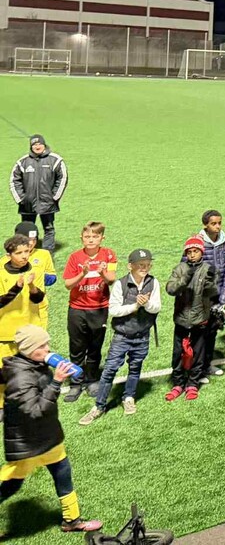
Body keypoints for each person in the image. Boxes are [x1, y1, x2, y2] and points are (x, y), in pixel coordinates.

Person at [0, 326, 103, 533]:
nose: (48, 348)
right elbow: (35, 411)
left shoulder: (32, 363)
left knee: (62, 471)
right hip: (28, 442)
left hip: (46, 437)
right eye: (42, 345)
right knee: (11, 483)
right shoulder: (21, 377)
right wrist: (56, 382)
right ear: (29, 349)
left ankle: (72, 521)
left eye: (46, 343)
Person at [78, 248, 161, 424]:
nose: (145, 268)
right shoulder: (120, 284)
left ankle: (129, 397)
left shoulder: (154, 283)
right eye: (140, 265)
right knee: (110, 370)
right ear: (130, 266)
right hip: (122, 335)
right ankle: (99, 406)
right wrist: (135, 306)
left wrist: (146, 304)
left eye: (147, 265)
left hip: (142, 335)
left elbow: (157, 307)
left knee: (135, 367)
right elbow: (114, 310)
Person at [60, 222, 118, 402]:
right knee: (76, 348)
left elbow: (111, 279)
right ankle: (76, 383)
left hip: (99, 308)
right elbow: (68, 284)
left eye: (95, 236)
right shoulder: (74, 257)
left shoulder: (109, 255)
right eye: (87, 237)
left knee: (94, 347)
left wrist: (102, 273)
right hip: (77, 309)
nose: (91, 240)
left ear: (102, 238)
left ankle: (92, 379)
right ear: (81, 238)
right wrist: (82, 274)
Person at [165, 237, 219, 401]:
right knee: (178, 354)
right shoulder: (180, 268)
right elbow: (170, 289)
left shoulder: (208, 269)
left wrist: (210, 282)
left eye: (195, 251)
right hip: (181, 319)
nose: (192, 255)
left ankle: (192, 384)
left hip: (200, 319)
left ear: (201, 252)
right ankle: (178, 383)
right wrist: (185, 279)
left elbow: (212, 293)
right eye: (189, 252)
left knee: (197, 354)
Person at [0, 235, 47, 409]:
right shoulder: (0, 272)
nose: (24, 256)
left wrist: (32, 286)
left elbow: (38, 298)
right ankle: (2, 406)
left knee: (32, 371)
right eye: (19, 253)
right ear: (9, 255)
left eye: (26, 251)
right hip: (6, 332)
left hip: (30, 331)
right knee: (3, 373)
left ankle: (30, 402)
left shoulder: (35, 269)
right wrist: (17, 287)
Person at [188, 209, 225, 382]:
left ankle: (207, 365)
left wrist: (224, 297)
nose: (218, 226)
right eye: (213, 223)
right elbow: (186, 268)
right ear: (205, 225)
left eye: (219, 223)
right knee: (199, 335)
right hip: (201, 298)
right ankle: (195, 370)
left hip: (217, 296)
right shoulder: (197, 242)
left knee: (212, 332)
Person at [9, 134, 67, 253]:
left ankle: (48, 254)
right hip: (28, 204)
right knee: (27, 230)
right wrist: (21, 199)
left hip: (47, 202)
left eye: (39, 143)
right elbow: (14, 180)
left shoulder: (55, 160)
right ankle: (26, 252)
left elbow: (62, 178)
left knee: (49, 228)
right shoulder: (23, 162)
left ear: (44, 145)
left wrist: (54, 197)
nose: (37, 146)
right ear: (31, 146)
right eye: (34, 144)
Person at [14, 222, 57, 329]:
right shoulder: (8, 259)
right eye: (28, 240)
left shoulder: (44, 254)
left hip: (38, 308)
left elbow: (52, 276)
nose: (31, 243)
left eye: (34, 239)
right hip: (16, 309)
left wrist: (41, 277)